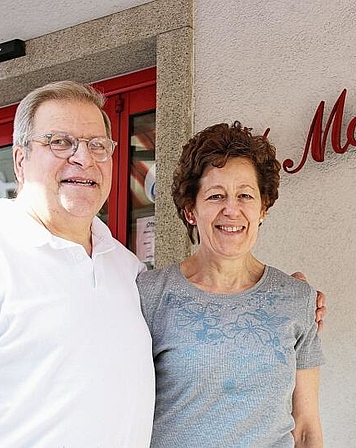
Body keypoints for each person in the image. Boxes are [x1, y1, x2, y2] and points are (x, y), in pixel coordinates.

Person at [0, 81, 326, 448]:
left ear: (263, 208)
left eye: (97, 145)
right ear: (20, 159)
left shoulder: (126, 270)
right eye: (60, 142)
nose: (82, 157)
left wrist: (292, 300)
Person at [138, 122, 324, 447]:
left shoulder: (297, 299)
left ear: (263, 208)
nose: (232, 209)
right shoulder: (150, 295)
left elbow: (307, 428)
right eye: (215, 196)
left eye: (245, 195)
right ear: (190, 210)